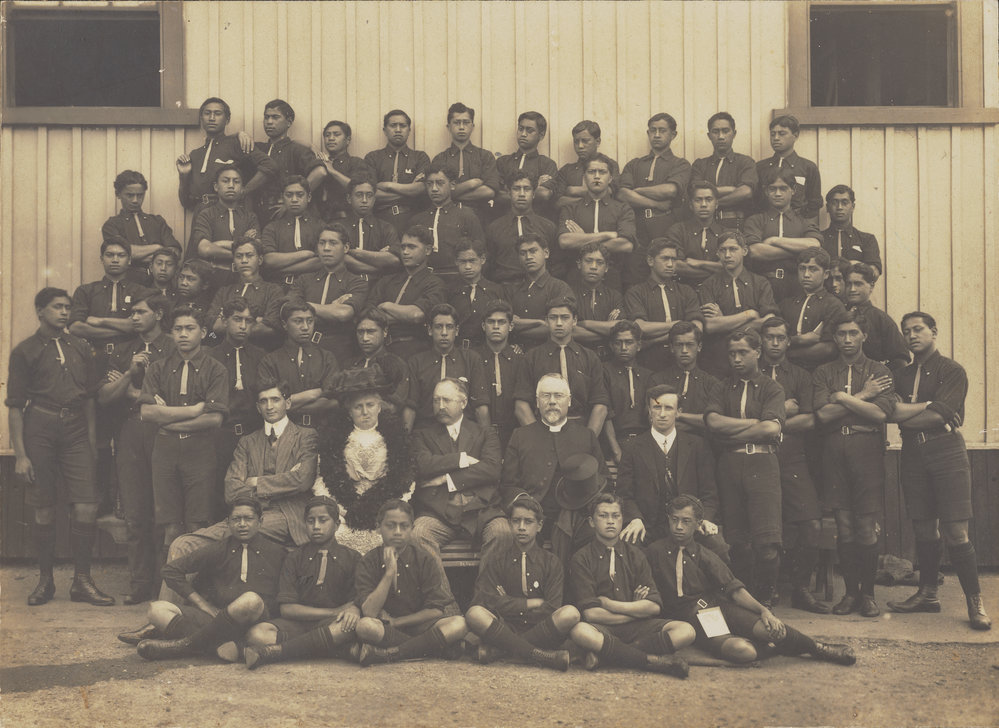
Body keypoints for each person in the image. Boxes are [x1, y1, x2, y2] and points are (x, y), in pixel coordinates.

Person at [150, 381, 318, 608]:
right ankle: (167, 617)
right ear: (258, 408)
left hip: (286, 517)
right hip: (247, 515)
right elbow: (231, 490)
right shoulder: (248, 442)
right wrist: (283, 481)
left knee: (235, 531)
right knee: (182, 544)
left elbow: (303, 479)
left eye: (275, 399)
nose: (269, 406)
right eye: (263, 401)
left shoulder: (306, 436)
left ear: (287, 403)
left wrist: (256, 482)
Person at [646, 496, 855, 666]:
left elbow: (733, 588)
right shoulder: (655, 552)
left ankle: (819, 648)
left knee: (770, 629)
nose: (679, 526)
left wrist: (763, 610)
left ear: (698, 525)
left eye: (686, 521)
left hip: (716, 609)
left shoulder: (704, 554)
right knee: (742, 651)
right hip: (691, 619)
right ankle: (773, 648)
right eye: (674, 520)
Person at [7, 288, 115, 607]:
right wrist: (21, 455)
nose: (65, 312)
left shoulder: (81, 346)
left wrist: (93, 442)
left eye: (68, 307)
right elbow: (15, 406)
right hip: (39, 426)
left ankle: (82, 581)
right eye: (57, 307)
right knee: (43, 507)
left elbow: (91, 398)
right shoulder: (25, 351)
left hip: (77, 428)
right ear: (40, 311)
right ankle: (45, 582)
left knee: (86, 505)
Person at [888, 312, 990, 630]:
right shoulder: (901, 376)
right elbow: (891, 413)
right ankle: (928, 594)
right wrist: (925, 409)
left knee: (957, 532)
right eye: (906, 331)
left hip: (946, 450)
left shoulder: (952, 370)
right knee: (923, 528)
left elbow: (940, 417)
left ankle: (975, 602)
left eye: (918, 329)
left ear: (933, 332)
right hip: (913, 454)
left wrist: (910, 415)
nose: (911, 335)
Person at [130, 497, 286, 661]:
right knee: (156, 610)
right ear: (227, 522)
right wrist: (203, 604)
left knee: (251, 600)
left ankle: (184, 646)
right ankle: (227, 647)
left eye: (248, 519)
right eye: (236, 519)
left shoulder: (277, 552)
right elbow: (171, 570)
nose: (242, 524)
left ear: (260, 522)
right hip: (217, 619)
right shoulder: (219, 549)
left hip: (255, 622)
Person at [812, 309, 895, 618]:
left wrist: (842, 399)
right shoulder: (823, 372)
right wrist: (863, 397)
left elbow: (880, 414)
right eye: (842, 334)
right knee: (845, 527)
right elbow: (821, 416)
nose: (847, 339)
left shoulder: (878, 371)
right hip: (834, 449)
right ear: (834, 337)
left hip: (866, 448)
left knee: (865, 526)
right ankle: (849, 594)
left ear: (864, 336)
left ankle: (869, 595)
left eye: (853, 333)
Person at [97, 293, 174, 604]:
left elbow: (170, 396)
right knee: (135, 512)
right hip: (131, 430)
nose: (134, 317)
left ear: (157, 313)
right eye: (132, 312)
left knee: (163, 511)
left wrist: (133, 391)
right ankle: (140, 584)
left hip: (165, 430)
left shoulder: (173, 346)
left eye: (141, 311)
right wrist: (129, 374)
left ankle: (163, 584)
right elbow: (104, 397)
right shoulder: (125, 350)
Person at [566, 494, 693, 677]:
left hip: (638, 629)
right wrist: (635, 610)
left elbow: (654, 606)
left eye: (616, 516)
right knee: (580, 631)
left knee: (686, 631)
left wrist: (610, 605)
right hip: (603, 628)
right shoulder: (582, 558)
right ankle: (651, 661)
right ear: (591, 522)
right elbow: (591, 613)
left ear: (622, 520)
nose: (610, 522)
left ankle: (609, 655)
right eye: (603, 516)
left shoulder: (635, 555)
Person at [704, 329, 785, 607]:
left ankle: (764, 602)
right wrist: (754, 424)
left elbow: (771, 428)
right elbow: (713, 422)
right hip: (730, 465)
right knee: (737, 542)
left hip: (762, 464)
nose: (736, 359)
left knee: (767, 543)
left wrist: (736, 432)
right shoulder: (722, 387)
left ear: (758, 352)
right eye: (732, 353)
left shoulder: (772, 388)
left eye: (743, 353)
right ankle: (743, 603)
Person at [139, 305, 229, 554]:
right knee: (169, 524)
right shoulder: (158, 368)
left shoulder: (216, 370)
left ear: (202, 332)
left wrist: (166, 418)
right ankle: (169, 590)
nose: (183, 334)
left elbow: (214, 420)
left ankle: (192, 588)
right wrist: (191, 411)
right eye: (177, 329)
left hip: (199, 449)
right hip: (165, 449)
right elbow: (147, 412)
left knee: (197, 522)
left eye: (190, 328)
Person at [758, 317, 830, 613]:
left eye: (780, 337)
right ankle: (767, 589)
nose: (775, 343)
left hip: (792, 458)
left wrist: (770, 421)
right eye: (769, 337)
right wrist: (784, 412)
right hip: (758, 457)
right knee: (762, 527)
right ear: (761, 340)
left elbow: (810, 419)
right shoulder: (750, 372)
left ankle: (800, 588)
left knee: (811, 524)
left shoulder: (801, 375)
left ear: (789, 341)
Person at [240, 496, 362, 669]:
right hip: (297, 625)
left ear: (337, 525)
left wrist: (352, 608)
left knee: (350, 626)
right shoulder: (294, 558)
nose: (316, 526)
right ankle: (334, 649)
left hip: (330, 625)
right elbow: (287, 609)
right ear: (304, 524)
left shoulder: (352, 558)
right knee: (256, 634)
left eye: (323, 520)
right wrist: (333, 611)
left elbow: (356, 601)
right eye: (310, 521)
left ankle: (276, 651)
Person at [500, 374, 608, 563]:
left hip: (576, 517)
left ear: (569, 401)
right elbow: (508, 484)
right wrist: (526, 504)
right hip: (532, 512)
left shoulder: (586, 436)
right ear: (537, 401)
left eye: (558, 396)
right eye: (545, 396)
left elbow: (602, 480)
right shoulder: (520, 436)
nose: (552, 402)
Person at [464, 494, 579, 671]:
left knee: (570, 613)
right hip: (505, 627)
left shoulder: (551, 562)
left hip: (539, 629)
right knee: (474, 613)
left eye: (528, 522)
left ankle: (501, 651)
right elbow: (486, 600)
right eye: (516, 521)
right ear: (510, 524)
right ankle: (542, 656)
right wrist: (529, 603)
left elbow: (552, 606)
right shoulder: (497, 559)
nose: (521, 527)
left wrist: (508, 603)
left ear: (539, 526)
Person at [353, 500, 467, 665]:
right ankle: (431, 648)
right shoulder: (369, 561)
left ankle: (392, 654)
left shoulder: (424, 559)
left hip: (420, 626)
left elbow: (436, 610)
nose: (397, 532)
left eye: (404, 526)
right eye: (391, 526)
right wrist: (389, 574)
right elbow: (369, 612)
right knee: (365, 627)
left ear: (412, 529)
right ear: (378, 527)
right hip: (387, 629)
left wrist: (397, 622)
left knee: (459, 623)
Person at [412, 378, 508, 572]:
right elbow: (423, 465)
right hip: (439, 513)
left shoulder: (485, 433)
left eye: (446, 400)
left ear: (463, 403)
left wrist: (448, 479)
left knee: (502, 532)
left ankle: (485, 598)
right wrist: (461, 459)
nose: (440, 406)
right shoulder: (422, 434)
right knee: (418, 534)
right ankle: (443, 601)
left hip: (481, 511)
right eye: (436, 400)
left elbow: (491, 470)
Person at [616, 384, 723, 556]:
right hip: (649, 526)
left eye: (668, 408)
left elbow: (709, 494)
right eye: (657, 407)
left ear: (678, 412)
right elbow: (624, 494)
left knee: (718, 547)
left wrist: (704, 520)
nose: (662, 414)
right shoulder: (633, 447)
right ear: (649, 411)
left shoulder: (697, 445)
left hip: (689, 526)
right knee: (628, 548)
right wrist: (635, 518)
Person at [318, 367, 413, 551]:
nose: (365, 412)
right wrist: (342, 510)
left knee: (388, 536)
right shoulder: (335, 437)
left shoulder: (395, 436)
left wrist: (385, 510)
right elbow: (325, 478)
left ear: (379, 406)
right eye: (358, 407)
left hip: (385, 508)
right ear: (349, 410)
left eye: (370, 405)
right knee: (338, 537)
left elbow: (403, 479)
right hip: (345, 510)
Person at [616, 113, 692, 287]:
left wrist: (638, 191)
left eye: (662, 131)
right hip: (637, 225)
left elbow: (670, 190)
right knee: (634, 274)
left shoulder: (680, 164)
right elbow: (623, 194)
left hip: (664, 225)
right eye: (653, 130)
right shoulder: (634, 164)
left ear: (673, 135)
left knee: (665, 272)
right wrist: (656, 203)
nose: (656, 135)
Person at [208, 298, 266, 519]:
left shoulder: (261, 356)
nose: (243, 326)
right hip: (220, 435)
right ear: (224, 320)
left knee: (248, 493)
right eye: (237, 319)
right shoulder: (211, 355)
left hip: (252, 435)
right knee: (217, 493)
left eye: (248, 321)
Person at [515, 299, 609, 435]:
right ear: (546, 321)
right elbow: (521, 406)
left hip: (581, 431)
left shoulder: (589, 357)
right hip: (542, 430)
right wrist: (537, 439)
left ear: (574, 321)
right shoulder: (532, 357)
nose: (559, 323)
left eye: (565, 318)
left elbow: (600, 406)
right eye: (553, 318)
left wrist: (588, 440)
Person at [696, 231, 779, 377]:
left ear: (744, 251)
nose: (727, 255)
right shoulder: (709, 285)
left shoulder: (760, 283)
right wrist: (750, 314)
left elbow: (768, 322)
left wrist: (724, 323)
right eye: (723, 250)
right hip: (720, 358)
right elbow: (709, 326)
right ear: (718, 253)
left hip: (755, 359)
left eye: (733, 249)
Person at [176, 97, 276, 216]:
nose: (212, 118)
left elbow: (270, 165)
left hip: (228, 211)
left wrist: (244, 190)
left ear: (227, 119)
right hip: (201, 214)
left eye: (217, 114)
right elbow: (186, 202)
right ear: (201, 119)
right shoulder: (195, 154)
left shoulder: (237, 144)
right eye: (207, 113)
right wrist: (184, 175)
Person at [288, 222, 369, 365]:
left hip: (339, 350)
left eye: (333, 243)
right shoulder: (304, 280)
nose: (326, 248)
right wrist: (330, 308)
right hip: (303, 348)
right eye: (322, 243)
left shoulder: (356, 282)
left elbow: (343, 314)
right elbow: (289, 308)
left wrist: (305, 306)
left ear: (346, 248)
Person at [365, 225, 447, 359]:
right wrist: (403, 315)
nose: (405, 252)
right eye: (403, 247)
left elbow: (416, 314)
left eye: (411, 247)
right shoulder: (387, 280)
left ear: (427, 250)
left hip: (414, 351)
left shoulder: (434, 283)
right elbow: (368, 311)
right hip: (380, 349)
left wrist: (386, 306)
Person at [404, 303, 488, 430]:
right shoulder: (416, 362)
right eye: (438, 327)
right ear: (430, 330)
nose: (444, 333)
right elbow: (411, 407)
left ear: (457, 330)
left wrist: (487, 442)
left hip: (464, 432)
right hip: (427, 432)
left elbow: (480, 407)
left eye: (449, 327)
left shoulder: (471, 360)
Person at [557, 156, 636, 291]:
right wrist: (607, 235)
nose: (597, 176)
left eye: (602, 172)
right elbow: (565, 241)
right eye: (592, 172)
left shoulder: (622, 209)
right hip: (576, 277)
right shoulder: (571, 208)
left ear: (610, 178)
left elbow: (626, 244)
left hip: (611, 277)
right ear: (584, 178)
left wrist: (583, 240)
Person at [744, 167, 823, 301]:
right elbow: (755, 251)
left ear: (793, 190)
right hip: (763, 284)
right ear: (766, 191)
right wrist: (798, 251)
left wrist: (775, 240)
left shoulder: (803, 221)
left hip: (797, 285)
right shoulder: (756, 220)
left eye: (783, 188)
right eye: (773, 189)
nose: (778, 193)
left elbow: (814, 245)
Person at [624, 238, 703, 371]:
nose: (670, 264)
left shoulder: (686, 291)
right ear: (650, 261)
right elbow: (640, 327)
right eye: (665, 259)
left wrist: (654, 340)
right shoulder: (635, 292)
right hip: (650, 363)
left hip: (683, 363)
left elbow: (697, 328)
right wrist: (678, 325)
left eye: (673, 259)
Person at [258, 302, 340, 428]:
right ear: (285, 324)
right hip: (284, 431)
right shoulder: (270, 361)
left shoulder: (327, 358)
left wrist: (286, 404)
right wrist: (311, 395)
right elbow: (269, 405)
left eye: (310, 321)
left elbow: (333, 402)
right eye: (298, 321)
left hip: (321, 430)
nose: (305, 327)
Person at [69, 241, 153, 354]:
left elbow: (140, 325)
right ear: (101, 259)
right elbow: (76, 328)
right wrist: (124, 329)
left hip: (130, 356)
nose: (115, 260)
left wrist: (100, 321)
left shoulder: (140, 291)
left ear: (129, 260)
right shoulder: (86, 291)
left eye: (121, 255)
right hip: (93, 356)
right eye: (109, 255)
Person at [410, 163, 486, 287]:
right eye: (430, 184)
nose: (434, 189)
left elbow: (480, 251)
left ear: (452, 185)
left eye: (440, 183)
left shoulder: (466, 216)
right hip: (425, 281)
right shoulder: (418, 220)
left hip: (458, 281)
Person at [102, 170, 182, 285]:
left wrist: (136, 255)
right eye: (130, 195)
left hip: (158, 283)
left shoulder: (157, 221)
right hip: (129, 282)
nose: (135, 200)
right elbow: (124, 254)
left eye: (140, 195)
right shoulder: (112, 225)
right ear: (118, 194)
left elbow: (175, 252)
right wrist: (158, 247)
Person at [253, 99, 327, 224]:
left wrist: (292, 201)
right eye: (266, 117)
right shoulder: (259, 149)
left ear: (289, 122)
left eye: (275, 117)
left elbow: (320, 172)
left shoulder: (296, 149)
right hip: (261, 213)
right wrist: (241, 134)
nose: (269, 122)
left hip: (289, 214)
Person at [189, 165, 261, 288]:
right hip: (214, 277)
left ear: (242, 188)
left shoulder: (250, 217)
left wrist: (218, 244)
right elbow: (204, 249)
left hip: (242, 278)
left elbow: (257, 248)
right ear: (216, 187)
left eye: (236, 181)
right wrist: (241, 247)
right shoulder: (207, 214)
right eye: (226, 181)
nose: (231, 185)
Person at [207, 238, 284, 351]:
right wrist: (255, 321)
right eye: (239, 256)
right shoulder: (224, 291)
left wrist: (228, 322)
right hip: (224, 352)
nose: (244, 260)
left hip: (258, 352)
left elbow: (270, 328)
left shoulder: (273, 291)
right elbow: (212, 325)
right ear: (234, 261)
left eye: (249, 255)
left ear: (260, 260)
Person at [431, 101, 501, 226]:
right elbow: (437, 192)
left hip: (479, 217)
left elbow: (489, 191)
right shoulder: (440, 159)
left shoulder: (485, 156)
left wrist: (451, 194)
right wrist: (471, 184)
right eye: (457, 123)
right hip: (448, 219)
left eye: (466, 122)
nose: (462, 127)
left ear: (473, 126)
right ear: (448, 127)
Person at [647, 322, 722, 435]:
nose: (684, 350)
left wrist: (679, 416)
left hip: (701, 446)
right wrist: (696, 424)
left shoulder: (711, 383)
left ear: (699, 347)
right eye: (679, 345)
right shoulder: (657, 380)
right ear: (672, 348)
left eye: (690, 344)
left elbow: (713, 422)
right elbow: (654, 419)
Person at [365, 109, 431, 234]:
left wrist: (387, 185)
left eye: (403, 125)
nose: (398, 129)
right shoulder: (373, 157)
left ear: (409, 130)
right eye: (393, 125)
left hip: (412, 218)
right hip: (380, 219)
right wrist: (409, 191)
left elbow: (421, 188)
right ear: (385, 130)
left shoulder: (420, 157)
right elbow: (371, 193)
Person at [778, 247, 846, 369]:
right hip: (786, 371)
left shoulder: (833, 305)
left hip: (819, 371)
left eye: (813, 269)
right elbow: (775, 340)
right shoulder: (786, 304)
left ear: (826, 274)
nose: (806, 275)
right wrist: (800, 340)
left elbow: (829, 349)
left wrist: (787, 353)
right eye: (802, 269)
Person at [485, 171, 558, 284]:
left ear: (533, 193)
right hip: (505, 288)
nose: (522, 194)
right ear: (509, 192)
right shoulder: (495, 228)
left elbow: (556, 265)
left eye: (527, 189)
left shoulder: (547, 227)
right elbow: (489, 266)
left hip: (539, 288)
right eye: (516, 189)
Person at [505, 232, 575, 345]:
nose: (528, 257)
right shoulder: (511, 289)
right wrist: (539, 323)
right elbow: (502, 325)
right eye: (523, 253)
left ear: (546, 253)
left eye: (533, 251)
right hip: (516, 354)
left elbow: (562, 328)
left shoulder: (559, 288)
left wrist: (517, 326)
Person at [690, 112, 757, 230]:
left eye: (725, 131)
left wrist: (713, 203)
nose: (721, 136)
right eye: (715, 132)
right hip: (705, 224)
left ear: (734, 134)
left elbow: (746, 192)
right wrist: (732, 189)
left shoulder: (745, 162)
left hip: (736, 223)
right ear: (709, 135)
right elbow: (696, 191)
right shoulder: (700, 164)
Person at [473, 299, 526, 449]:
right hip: (478, 433)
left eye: (502, 322)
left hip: (514, 434)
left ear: (511, 326)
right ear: (484, 326)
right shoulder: (472, 358)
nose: (496, 327)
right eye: (491, 322)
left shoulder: (521, 360)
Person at [601, 320, 653, 462]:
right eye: (618, 343)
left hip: (644, 442)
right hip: (614, 443)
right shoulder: (604, 372)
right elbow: (605, 413)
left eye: (629, 342)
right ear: (611, 346)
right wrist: (616, 451)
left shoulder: (648, 376)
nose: (623, 347)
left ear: (639, 345)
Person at [843, 262, 909, 372]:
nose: (852, 289)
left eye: (858, 284)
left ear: (871, 286)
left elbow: (900, 360)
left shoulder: (881, 319)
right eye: (849, 284)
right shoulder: (840, 314)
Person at [755, 115, 822, 220]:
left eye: (782, 134)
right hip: (766, 224)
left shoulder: (807, 167)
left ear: (795, 136)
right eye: (773, 134)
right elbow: (754, 201)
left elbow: (815, 203)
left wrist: (799, 221)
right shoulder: (760, 167)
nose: (776, 138)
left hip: (797, 226)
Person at [260, 175, 324, 285]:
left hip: (311, 287)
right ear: (282, 197)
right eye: (289, 195)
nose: (294, 200)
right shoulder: (272, 228)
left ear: (308, 197)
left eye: (300, 195)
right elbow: (269, 260)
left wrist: (281, 269)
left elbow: (320, 261)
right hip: (278, 286)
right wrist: (305, 254)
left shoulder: (320, 226)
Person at [495, 112, 558, 220]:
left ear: (541, 135)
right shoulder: (503, 162)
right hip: (505, 220)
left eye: (529, 130)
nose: (523, 134)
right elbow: (497, 195)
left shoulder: (547, 164)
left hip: (535, 222)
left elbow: (544, 194)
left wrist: (509, 189)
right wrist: (536, 185)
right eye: (520, 129)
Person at [340, 174, 402, 279]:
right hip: (345, 285)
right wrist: (377, 259)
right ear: (349, 198)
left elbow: (394, 260)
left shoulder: (386, 228)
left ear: (374, 199)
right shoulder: (338, 228)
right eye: (359, 195)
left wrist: (355, 253)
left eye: (369, 195)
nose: (364, 200)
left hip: (377, 287)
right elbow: (337, 257)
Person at [447, 237, 505, 349]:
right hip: (456, 351)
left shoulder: (496, 290)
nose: (467, 266)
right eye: (463, 262)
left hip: (487, 351)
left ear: (482, 259)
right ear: (456, 262)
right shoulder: (449, 291)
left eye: (472, 261)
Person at [348, 307, 411, 408]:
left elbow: (398, 404)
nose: (365, 338)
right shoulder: (350, 364)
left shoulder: (396, 365)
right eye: (360, 332)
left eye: (371, 332)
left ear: (385, 331)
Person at [668, 181, 725, 288]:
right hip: (685, 289)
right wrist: (717, 268)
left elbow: (731, 265)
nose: (703, 205)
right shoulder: (678, 230)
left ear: (716, 204)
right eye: (698, 200)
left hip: (719, 290)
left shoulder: (725, 233)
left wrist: (700, 263)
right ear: (690, 205)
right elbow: (677, 265)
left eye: (708, 200)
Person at [555, 120, 620, 213]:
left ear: (597, 142)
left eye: (585, 141)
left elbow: (611, 192)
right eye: (576, 142)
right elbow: (559, 202)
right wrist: (591, 197)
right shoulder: (566, 170)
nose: (580, 146)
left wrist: (572, 190)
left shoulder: (609, 165)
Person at [317, 119, 374, 222]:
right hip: (320, 220)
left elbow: (359, 188)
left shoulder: (355, 162)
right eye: (327, 135)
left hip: (346, 220)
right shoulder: (320, 162)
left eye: (336, 134)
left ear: (347, 140)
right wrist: (313, 148)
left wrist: (332, 171)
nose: (331, 138)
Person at [571, 243, 625, 353]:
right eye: (588, 261)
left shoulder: (614, 296)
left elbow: (621, 329)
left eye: (599, 263)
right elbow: (570, 331)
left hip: (608, 357)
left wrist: (584, 323)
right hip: (578, 355)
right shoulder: (569, 294)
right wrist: (607, 331)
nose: (593, 267)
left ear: (606, 268)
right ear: (579, 264)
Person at [820, 185, 883, 275]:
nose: (839, 207)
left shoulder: (867, 239)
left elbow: (874, 272)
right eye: (834, 203)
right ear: (827, 207)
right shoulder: (819, 239)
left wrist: (851, 266)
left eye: (844, 203)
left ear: (852, 207)